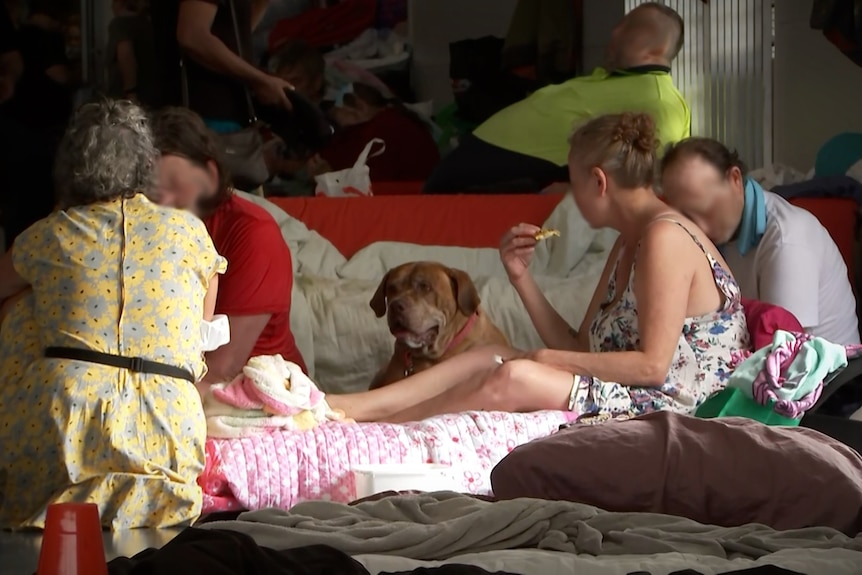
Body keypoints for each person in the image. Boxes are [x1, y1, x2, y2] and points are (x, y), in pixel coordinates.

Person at [322, 113, 748, 423]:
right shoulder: (627, 243)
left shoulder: (665, 238)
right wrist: (520, 277)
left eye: (572, 179)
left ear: (598, 182)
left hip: (680, 404)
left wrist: (544, 359)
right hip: (634, 390)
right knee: (490, 354)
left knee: (517, 374)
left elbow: (652, 367)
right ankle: (350, 406)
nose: (568, 192)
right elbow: (584, 352)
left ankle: (379, 428)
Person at [0, 100, 225, 529]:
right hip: (170, 436)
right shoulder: (191, 234)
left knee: (21, 305)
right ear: (147, 165)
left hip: (64, 431)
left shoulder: (48, 235)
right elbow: (196, 347)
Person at [423, 2, 690, 194]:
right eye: (619, 25)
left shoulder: (659, 101)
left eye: (630, 28)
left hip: (502, 183)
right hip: (472, 172)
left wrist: (573, 192)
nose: (615, 33)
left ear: (659, 48)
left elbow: (652, 181)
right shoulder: (616, 78)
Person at [150, 106, 308, 380]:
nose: (162, 202)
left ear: (209, 174)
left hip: (256, 393)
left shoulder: (253, 233)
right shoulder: (145, 228)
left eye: (175, 184)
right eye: (152, 189)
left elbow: (223, 368)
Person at [660, 137, 860, 345]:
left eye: (708, 209)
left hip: (821, 370)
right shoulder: (706, 234)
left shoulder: (786, 240)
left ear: (735, 179)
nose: (701, 228)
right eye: (688, 217)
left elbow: (785, 347)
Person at [150, 0, 293, 125]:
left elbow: (232, 36)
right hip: (203, 112)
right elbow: (192, 36)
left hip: (223, 110)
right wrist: (260, 81)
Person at [307, 82, 440, 182]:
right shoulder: (398, 119)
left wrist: (329, 177)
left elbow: (366, 188)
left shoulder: (380, 132)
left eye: (338, 118)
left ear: (359, 107)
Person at [105, 0, 158, 107]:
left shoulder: (120, 24)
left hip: (126, 97)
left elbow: (126, 57)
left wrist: (131, 93)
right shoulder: (147, 23)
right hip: (151, 93)